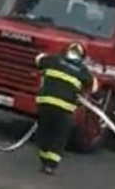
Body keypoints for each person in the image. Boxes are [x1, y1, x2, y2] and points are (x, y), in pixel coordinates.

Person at [34, 42, 98, 175]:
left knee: (44, 133)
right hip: (64, 109)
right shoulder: (82, 70)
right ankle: (50, 165)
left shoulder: (53, 60)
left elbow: (38, 59)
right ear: (82, 56)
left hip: (45, 105)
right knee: (60, 137)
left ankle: (44, 158)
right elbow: (94, 87)